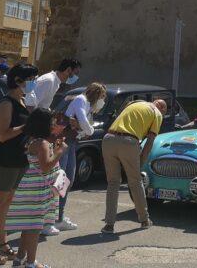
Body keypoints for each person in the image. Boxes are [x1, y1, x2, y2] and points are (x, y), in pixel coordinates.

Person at [0, 62, 37, 266]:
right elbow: (2, 135)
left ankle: (2, 243)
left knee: (6, 202)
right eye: (31, 79)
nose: (34, 83)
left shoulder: (21, 101)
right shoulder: (7, 103)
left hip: (20, 159)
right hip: (6, 159)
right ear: (18, 80)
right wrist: (26, 126)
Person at [6, 108, 67, 268]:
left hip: (32, 187)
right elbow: (46, 166)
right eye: (52, 121)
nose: (54, 124)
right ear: (44, 124)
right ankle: (31, 263)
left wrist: (55, 147)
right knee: (34, 229)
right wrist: (59, 152)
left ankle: (20, 258)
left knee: (28, 226)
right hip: (38, 190)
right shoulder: (42, 143)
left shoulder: (33, 140)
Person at [101, 98, 166, 234]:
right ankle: (144, 220)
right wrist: (141, 162)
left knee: (113, 182)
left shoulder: (135, 104)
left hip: (108, 139)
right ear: (162, 109)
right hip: (128, 142)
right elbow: (150, 141)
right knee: (135, 182)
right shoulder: (157, 114)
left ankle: (109, 224)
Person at [55, 81, 106, 232]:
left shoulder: (88, 105)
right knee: (60, 179)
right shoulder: (80, 100)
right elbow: (85, 124)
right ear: (96, 95)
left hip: (72, 142)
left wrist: (86, 129)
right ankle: (50, 219)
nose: (102, 101)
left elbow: (85, 127)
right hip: (64, 141)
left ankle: (59, 217)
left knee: (67, 180)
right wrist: (89, 130)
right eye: (102, 97)